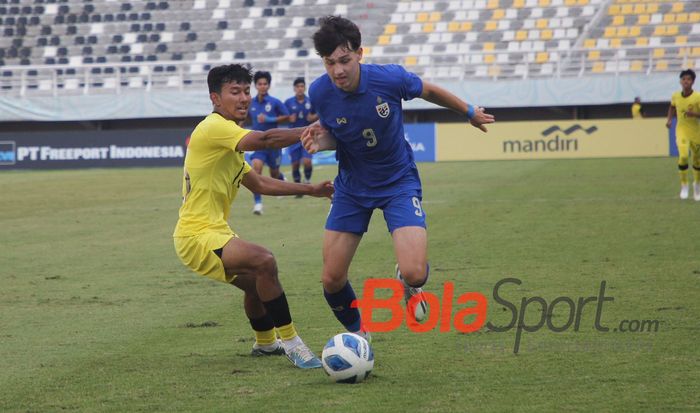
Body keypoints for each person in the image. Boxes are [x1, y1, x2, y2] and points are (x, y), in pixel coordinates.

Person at [301, 16, 495, 340]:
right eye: (330, 63)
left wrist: (468, 111)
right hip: (352, 187)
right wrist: (323, 142)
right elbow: (339, 134)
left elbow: (429, 90)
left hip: (397, 182)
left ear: (360, 54)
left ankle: (407, 284)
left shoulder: (389, 79)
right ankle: (360, 335)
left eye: (345, 60)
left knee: (416, 272)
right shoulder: (320, 92)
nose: (338, 71)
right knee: (332, 279)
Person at [173, 64, 334, 369]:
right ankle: (293, 344)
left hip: (211, 232)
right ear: (215, 98)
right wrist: (308, 130)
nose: (244, 98)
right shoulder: (213, 127)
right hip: (196, 236)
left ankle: (265, 343)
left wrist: (311, 189)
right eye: (235, 92)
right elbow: (265, 140)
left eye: (246, 91)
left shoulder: (228, 143)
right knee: (264, 261)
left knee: (255, 283)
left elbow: (259, 183)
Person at [248, 71, 290, 215]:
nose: (262, 86)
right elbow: (241, 117)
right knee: (256, 169)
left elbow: (287, 116)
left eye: (265, 84)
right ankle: (258, 204)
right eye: (260, 84)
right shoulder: (250, 103)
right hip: (258, 144)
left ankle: (280, 177)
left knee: (274, 173)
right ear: (256, 86)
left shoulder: (275, 102)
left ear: (269, 85)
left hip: (273, 143)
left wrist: (269, 119)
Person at [666, 69, 700, 201]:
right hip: (681, 131)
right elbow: (672, 107)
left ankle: (697, 186)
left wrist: (694, 114)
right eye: (684, 79)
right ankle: (684, 185)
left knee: (697, 160)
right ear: (680, 81)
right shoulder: (675, 96)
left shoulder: (697, 97)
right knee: (684, 156)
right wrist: (669, 119)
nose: (686, 81)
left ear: (693, 82)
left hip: (696, 133)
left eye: (689, 79)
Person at [285, 77, 319, 197]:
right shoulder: (288, 102)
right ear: (294, 88)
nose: (300, 89)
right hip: (293, 137)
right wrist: (288, 118)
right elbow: (284, 117)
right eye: (297, 86)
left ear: (304, 88)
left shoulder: (310, 102)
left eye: (302, 86)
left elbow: (319, 114)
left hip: (308, 135)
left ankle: (308, 181)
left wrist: (313, 118)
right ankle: (298, 188)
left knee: (307, 162)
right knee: (295, 164)